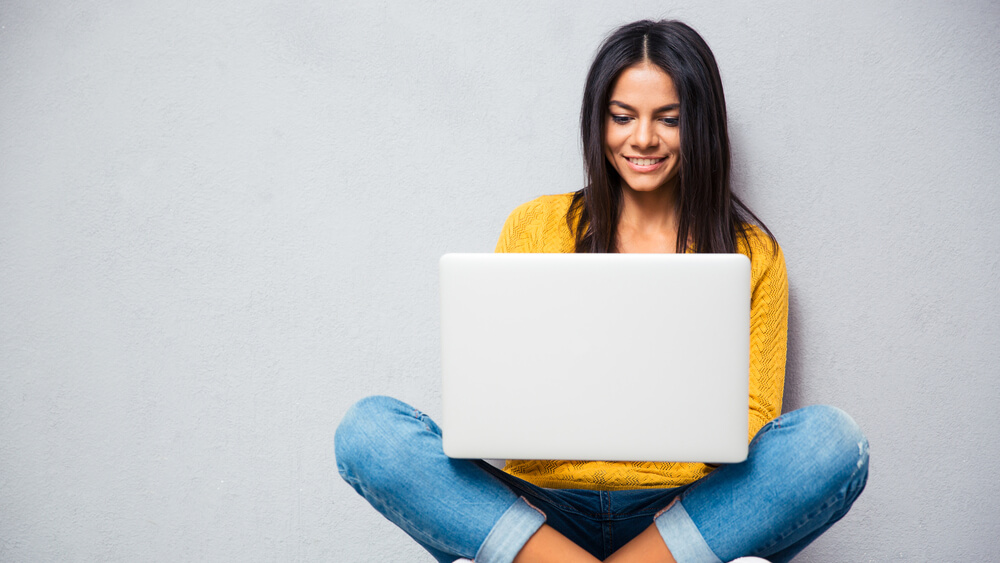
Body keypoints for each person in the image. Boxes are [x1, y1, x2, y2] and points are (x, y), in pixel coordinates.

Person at [335, 19, 868, 563]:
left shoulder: (752, 253)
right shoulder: (536, 226)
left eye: (669, 119)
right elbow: (495, 395)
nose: (642, 139)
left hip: (682, 511)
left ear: (700, 126)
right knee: (369, 432)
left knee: (832, 443)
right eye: (622, 117)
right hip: (539, 513)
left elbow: (753, 423)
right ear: (599, 122)